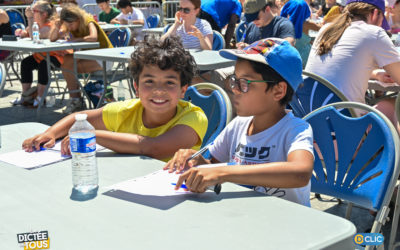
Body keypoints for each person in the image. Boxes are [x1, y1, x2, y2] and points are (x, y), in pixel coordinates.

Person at [165, 38, 314, 206]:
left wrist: (224, 172)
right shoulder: (238, 124)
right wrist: (195, 161)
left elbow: (300, 173)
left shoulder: (295, 130)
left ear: (278, 91)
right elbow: (212, 165)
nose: (234, 89)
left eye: (245, 83)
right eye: (234, 80)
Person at [22, 37, 208, 162]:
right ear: (136, 87)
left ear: (184, 90)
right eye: (149, 82)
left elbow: (154, 148)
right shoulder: (127, 110)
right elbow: (80, 117)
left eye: (169, 83)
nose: (158, 91)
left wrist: (93, 135)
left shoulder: (193, 118)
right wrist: (51, 134)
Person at [305, 0, 400, 133]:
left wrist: (376, 74)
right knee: (392, 105)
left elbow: (338, 66)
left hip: (314, 126)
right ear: (375, 13)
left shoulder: (325, 30)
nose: (380, 25)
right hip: (347, 132)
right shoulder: (374, 33)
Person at [49, 3, 113, 114]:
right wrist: (57, 26)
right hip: (90, 57)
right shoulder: (69, 23)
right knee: (67, 62)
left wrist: (76, 40)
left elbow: (93, 37)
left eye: (71, 24)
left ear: (78, 19)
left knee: (67, 68)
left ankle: (76, 100)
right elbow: (53, 39)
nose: (69, 27)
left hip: (105, 57)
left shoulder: (87, 19)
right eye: (67, 25)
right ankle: (76, 99)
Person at [11, 1, 62, 107]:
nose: (31, 13)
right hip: (41, 56)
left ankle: (40, 96)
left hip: (58, 56)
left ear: (44, 14)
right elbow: (27, 33)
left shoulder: (49, 26)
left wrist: (29, 19)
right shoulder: (38, 24)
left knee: (44, 64)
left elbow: (34, 36)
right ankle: (26, 95)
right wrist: (23, 32)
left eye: (34, 11)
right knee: (26, 63)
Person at [280, 0, 314, 67]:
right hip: (305, 58)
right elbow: (322, 29)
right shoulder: (307, 24)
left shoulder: (283, 23)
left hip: (288, 58)